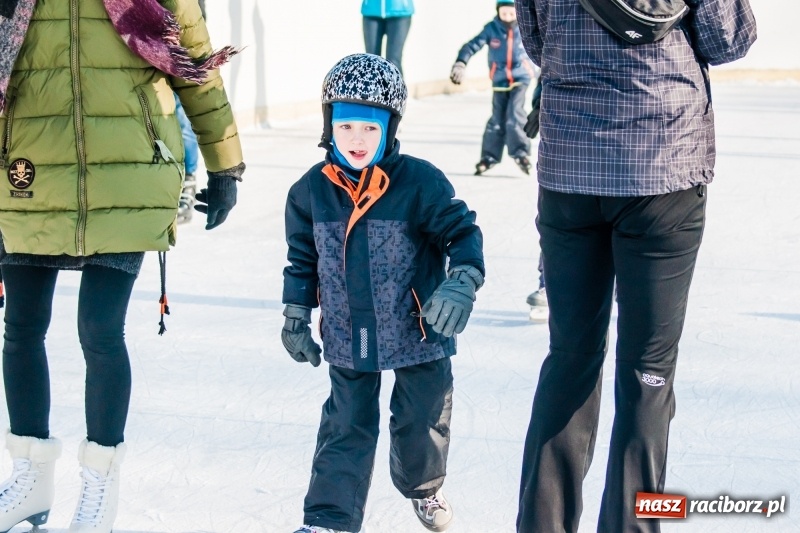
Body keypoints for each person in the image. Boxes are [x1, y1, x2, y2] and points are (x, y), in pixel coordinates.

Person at [0, 1, 244, 532]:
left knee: (100, 330)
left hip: (127, 175)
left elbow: (196, 69)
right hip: (30, 168)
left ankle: (99, 490)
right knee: (19, 327)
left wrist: (225, 165)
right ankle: (30, 481)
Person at [514, 0, 756, 531]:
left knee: (570, 356)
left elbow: (536, 41)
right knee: (649, 372)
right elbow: (728, 39)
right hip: (661, 167)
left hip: (572, 170)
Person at [282, 53, 484, 533]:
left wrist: (463, 280)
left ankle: (424, 488)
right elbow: (301, 259)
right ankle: (328, 520)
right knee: (345, 424)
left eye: (370, 129)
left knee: (423, 420)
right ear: (329, 124)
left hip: (420, 326)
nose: (356, 139)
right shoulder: (310, 190)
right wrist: (295, 314)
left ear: (390, 129)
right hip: (350, 327)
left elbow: (462, 232)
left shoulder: (419, 182)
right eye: (346, 126)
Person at [449, 0, 536, 176]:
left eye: (512, 14)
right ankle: (489, 157)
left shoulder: (526, 27)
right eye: (504, 14)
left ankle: (521, 154)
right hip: (500, 81)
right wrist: (461, 62)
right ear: (498, 12)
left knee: (514, 115)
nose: (508, 18)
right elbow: (472, 45)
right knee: (496, 120)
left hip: (521, 78)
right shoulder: (492, 28)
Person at [361, 0, 414, 76]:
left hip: (400, 11)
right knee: (371, 62)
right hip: (371, 11)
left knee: (393, 62)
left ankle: (396, 87)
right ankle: (374, 88)